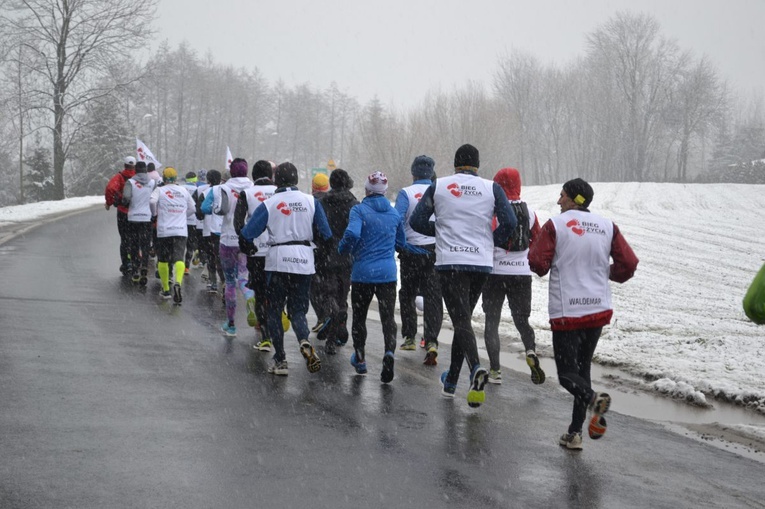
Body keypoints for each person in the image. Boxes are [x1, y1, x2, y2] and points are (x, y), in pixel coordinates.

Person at [528, 178, 638, 450]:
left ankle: (593, 400)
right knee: (582, 369)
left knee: (567, 375)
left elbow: (537, 263)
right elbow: (629, 264)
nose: (558, 200)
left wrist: (547, 262)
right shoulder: (607, 226)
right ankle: (575, 433)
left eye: (562, 195)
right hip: (597, 310)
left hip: (568, 311)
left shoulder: (557, 225)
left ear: (574, 198)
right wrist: (606, 274)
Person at [410, 144, 517, 408]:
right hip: (480, 263)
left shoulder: (439, 186)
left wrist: (442, 231)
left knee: (461, 321)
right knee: (463, 320)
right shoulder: (492, 188)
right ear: (477, 164)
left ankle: (476, 368)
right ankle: (451, 382)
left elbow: (416, 221)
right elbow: (511, 223)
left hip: (450, 262)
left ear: (455, 163)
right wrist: (491, 241)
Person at [241, 162, 332, 376]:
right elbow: (326, 235)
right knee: (298, 310)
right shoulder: (311, 201)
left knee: (274, 309)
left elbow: (247, 232)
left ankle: (280, 359)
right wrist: (318, 254)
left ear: (276, 181)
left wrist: (250, 247)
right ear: (296, 179)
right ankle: (303, 340)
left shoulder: (270, 203)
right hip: (304, 259)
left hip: (278, 260)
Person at [339, 171, 427, 383]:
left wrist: (344, 249)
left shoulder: (358, 210)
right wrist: (421, 252)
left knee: (359, 318)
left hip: (362, 274)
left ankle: (360, 358)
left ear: (367, 189)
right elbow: (401, 243)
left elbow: (352, 234)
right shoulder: (394, 214)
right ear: (385, 191)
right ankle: (389, 353)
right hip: (387, 274)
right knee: (388, 318)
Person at [481, 167, 545, 385]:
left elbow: (485, 239)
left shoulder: (492, 211)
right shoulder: (531, 213)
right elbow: (537, 240)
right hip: (521, 274)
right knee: (522, 320)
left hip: (495, 273)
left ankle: (495, 371)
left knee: (492, 322)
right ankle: (530, 350)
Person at [394, 155, 443, 365]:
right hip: (435, 251)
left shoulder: (406, 193)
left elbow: (397, 218)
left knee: (407, 294)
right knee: (433, 297)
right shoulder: (440, 190)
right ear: (431, 172)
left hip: (411, 252)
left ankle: (409, 337)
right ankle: (431, 340)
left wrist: (400, 243)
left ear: (413, 173)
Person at [206, 158, 254, 337]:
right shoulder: (252, 188)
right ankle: (250, 298)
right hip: (246, 240)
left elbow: (218, 210)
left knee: (230, 281)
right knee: (244, 277)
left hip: (227, 239)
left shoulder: (222, 188)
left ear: (231, 172)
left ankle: (231, 324)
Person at [234, 160, 278, 351]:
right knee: (277, 291)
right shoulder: (280, 192)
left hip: (257, 251)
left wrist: (248, 246)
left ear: (253, 175)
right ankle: (278, 323)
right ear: (271, 175)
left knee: (260, 292)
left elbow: (238, 224)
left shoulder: (247, 193)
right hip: (278, 250)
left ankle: (266, 336)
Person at [315, 169, 358, 355]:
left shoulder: (321, 203)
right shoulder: (354, 204)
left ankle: (333, 318)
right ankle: (338, 333)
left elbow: (316, 228)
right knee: (342, 296)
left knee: (328, 294)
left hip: (325, 255)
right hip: (347, 256)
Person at [149, 167, 196, 303]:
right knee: (179, 258)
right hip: (180, 230)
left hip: (164, 230)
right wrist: (182, 215)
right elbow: (193, 208)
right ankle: (178, 283)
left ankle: (166, 290)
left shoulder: (160, 190)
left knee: (163, 259)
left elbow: (152, 201)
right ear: (175, 178)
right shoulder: (184, 190)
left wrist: (154, 214)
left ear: (163, 178)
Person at [121, 161, 156, 285]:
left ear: (135, 170)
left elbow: (126, 199)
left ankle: (135, 269)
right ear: (146, 170)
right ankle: (144, 268)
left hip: (133, 218)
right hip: (147, 218)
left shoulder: (130, 182)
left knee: (134, 244)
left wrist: (121, 201)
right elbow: (154, 199)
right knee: (145, 244)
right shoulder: (152, 183)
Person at [104, 156, 137, 274]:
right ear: (135, 166)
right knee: (136, 239)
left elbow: (110, 188)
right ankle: (136, 261)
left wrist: (109, 202)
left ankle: (126, 263)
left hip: (123, 212)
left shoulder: (120, 177)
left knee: (125, 239)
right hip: (138, 213)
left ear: (124, 165)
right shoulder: (139, 178)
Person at [309, 172, 331, 335]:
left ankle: (322, 317)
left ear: (313, 187)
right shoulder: (332, 201)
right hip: (332, 249)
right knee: (328, 285)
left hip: (315, 249)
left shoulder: (312, 202)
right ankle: (330, 315)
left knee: (314, 287)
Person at [197, 169, 224, 293]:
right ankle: (226, 281)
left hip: (208, 229)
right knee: (222, 256)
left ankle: (213, 282)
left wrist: (209, 212)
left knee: (211, 256)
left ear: (208, 179)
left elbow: (200, 212)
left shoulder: (206, 192)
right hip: (224, 229)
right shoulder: (225, 190)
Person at [182, 171, 200, 273]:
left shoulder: (181, 188)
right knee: (190, 244)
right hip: (193, 221)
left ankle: (177, 263)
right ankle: (187, 267)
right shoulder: (197, 190)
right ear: (195, 180)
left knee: (181, 244)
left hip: (181, 220)